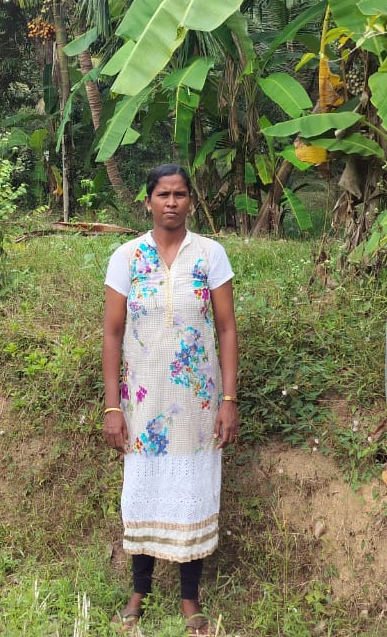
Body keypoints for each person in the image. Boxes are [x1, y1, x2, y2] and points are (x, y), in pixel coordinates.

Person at [102, 164, 239, 635]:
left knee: (192, 493)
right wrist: (113, 406)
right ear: (148, 201)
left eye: (181, 194)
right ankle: (139, 590)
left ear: (190, 202)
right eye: (163, 194)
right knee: (143, 491)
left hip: (198, 405)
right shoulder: (126, 257)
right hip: (142, 405)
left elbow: (225, 328)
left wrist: (228, 398)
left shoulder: (210, 255)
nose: (172, 202)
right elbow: (112, 333)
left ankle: (189, 599)